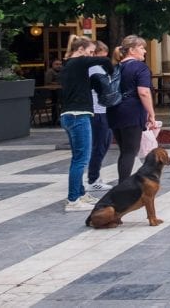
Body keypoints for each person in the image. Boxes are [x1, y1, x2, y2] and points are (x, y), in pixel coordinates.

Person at [58, 36, 107, 211]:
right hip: (78, 115)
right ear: (80, 50)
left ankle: (79, 194)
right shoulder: (77, 63)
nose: (92, 56)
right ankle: (73, 201)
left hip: (71, 115)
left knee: (78, 158)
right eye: (90, 52)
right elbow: (105, 60)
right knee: (81, 159)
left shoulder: (70, 66)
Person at [106, 35, 157, 185]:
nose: (145, 51)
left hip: (114, 110)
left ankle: (127, 182)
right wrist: (151, 114)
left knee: (125, 151)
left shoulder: (116, 67)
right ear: (132, 50)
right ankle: (123, 186)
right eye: (142, 48)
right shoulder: (140, 68)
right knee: (130, 152)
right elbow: (144, 92)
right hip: (132, 111)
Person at [86, 41, 114, 193]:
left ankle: (95, 176)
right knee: (100, 145)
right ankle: (93, 178)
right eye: (101, 53)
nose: (105, 56)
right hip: (98, 111)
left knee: (104, 143)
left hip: (103, 110)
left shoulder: (99, 68)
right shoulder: (94, 69)